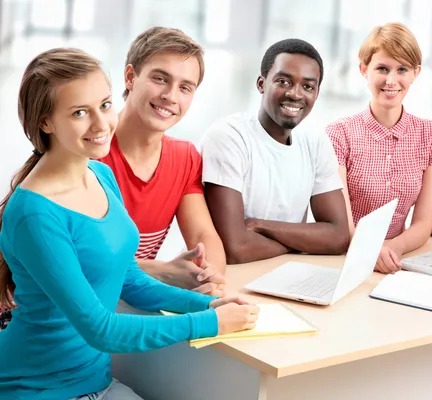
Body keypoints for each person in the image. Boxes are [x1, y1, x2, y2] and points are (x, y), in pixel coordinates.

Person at [0, 48, 258, 399]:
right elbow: (100, 330)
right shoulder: (34, 214)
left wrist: (207, 305)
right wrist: (208, 323)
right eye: (79, 112)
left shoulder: (101, 175)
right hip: (33, 388)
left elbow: (127, 279)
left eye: (105, 105)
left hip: (97, 383)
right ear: (46, 122)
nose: (100, 124)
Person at [98, 27, 227, 294]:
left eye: (185, 88)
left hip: (128, 302)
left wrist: (209, 277)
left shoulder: (185, 157)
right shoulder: (90, 151)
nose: (170, 96)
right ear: (130, 77)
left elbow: (204, 236)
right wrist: (163, 271)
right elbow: (80, 263)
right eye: (160, 79)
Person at [200, 39, 350, 264]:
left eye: (307, 86)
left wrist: (259, 226)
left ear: (316, 94)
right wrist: (301, 243)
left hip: (284, 275)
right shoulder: (228, 136)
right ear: (261, 84)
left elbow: (338, 237)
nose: (296, 94)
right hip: (224, 278)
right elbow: (234, 248)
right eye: (283, 81)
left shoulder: (316, 141)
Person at [326, 23, 432, 274]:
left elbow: (423, 223)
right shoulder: (339, 133)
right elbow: (342, 223)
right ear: (364, 70)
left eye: (402, 69)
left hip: (395, 258)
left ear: (415, 73)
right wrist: (370, 250)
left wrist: (391, 249)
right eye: (382, 68)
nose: (391, 80)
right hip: (343, 257)